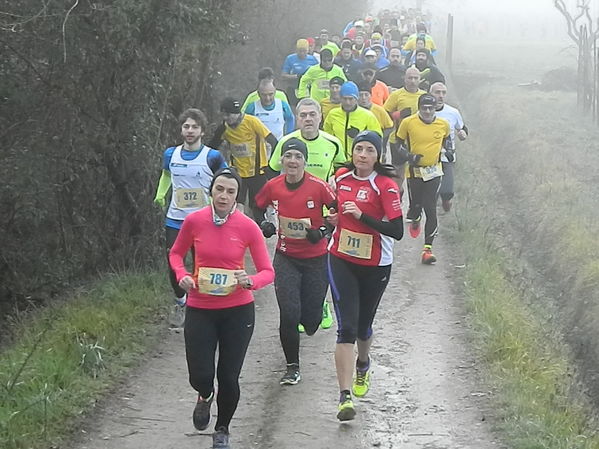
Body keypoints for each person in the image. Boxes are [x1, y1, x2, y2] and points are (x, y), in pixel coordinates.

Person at [169, 167, 274, 449]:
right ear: (211, 191)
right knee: (201, 374)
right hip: (201, 307)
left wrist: (250, 281)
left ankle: (222, 428)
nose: (224, 196)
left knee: (228, 376)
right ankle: (204, 394)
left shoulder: (248, 227)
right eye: (220, 190)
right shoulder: (194, 221)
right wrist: (182, 276)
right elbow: (176, 253)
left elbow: (267, 271)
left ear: (237, 197)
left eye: (230, 192)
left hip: (237, 310)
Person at [327, 131, 404, 421]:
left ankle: (363, 361)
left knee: (363, 327)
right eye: (358, 148)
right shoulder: (341, 178)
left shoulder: (385, 186)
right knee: (345, 328)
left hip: (376, 264)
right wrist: (332, 218)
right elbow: (334, 210)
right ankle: (344, 397)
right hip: (341, 258)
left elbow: (396, 231)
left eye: (369, 150)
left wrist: (363, 217)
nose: (362, 154)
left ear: (377, 156)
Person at [256, 139, 336, 385]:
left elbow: (337, 212)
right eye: (288, 155)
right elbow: (257, 206)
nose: (292, 161)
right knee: (289, 314)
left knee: (310, 323)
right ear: (281, 159)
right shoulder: (273, 186)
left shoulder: (318, 186)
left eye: (297, 157)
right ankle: (292, 366)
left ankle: (318, 307)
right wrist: (265, 224)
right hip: (286, 257)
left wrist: (322, 231)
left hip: (316, 258)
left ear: (304, 161)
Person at [154, 108, 227, 325]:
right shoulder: (170, 154)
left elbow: (225, 181)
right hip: (176, 219)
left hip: (204, 221)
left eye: (195, 127)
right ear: (181, 129)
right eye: (186, 126)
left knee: (201, 265)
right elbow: (166, 176)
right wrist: (160, 195)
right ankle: (181, 301)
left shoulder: (212, 157)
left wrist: (224, 206)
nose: (190, 131)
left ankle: (202, 308)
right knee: (173, 262)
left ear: (202, 131)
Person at [396, 94, 451, 264]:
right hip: (415, 173)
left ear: (435, 109)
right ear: (419, 108)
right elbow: (396, 144)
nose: (427, 111)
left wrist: (448, 152)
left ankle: (428, 249)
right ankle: (415, 216)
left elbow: (447, 142)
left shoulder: (443, 124)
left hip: (434, 172)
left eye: (431, 108)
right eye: (424, 108)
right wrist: (409, 156)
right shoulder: (408, 123)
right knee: (416, 206)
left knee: (430, 208)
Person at [209, 98, 278, 222]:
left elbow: (273, 141)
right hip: (238, 173)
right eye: (224, 115)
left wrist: (271, 166)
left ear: (237, 113)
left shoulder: (252, 122)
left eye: (229, 115)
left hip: (257, 172)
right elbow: (211, 148)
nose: (226, 118)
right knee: (236, 207)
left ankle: (258, 235)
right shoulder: (224, 128)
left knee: (256, 208)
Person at [270, 98, 346, 181]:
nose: (308, 119)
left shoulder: (333, 143)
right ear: (297, 118)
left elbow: (342, 170)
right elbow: (273, 171)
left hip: (322, 193)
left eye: (312, 114)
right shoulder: (285, 142)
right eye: (303, 115)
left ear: (320, 117)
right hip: (294, 193)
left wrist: (334, 177)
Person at [383, 67, 426, 193]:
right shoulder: (397, 95)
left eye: (415, 78)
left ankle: (416, 198)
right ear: (405, 79)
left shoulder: (424, 96)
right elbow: (385, 113)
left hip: (418, 139)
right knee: (398, 171)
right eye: (410, 78)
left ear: (420, 80)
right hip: (398, 139)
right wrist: (398, 115)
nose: (412, 81)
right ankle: (396, 195)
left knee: (417, 172)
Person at [428, 82, 468, 212]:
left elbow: (462, 128)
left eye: (443, 93)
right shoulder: (423, 112)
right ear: (430, 93)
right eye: (437, 92)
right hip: (428, 158)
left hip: (447, 157)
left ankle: (446, 208)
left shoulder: (453, 112)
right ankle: (430, 217)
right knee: (430, 194)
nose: (440, 96)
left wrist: (463, 134)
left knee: (447, 192)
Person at [323, 81, 382, 157]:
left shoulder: (367, 115)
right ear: (340, 98)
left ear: (356, 99)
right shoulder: (332, 114)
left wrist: (361, 135)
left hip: (359, 159)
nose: (348, 102)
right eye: (345, 99)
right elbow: (327, 136)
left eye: (351, 99)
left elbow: (377, 138)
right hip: (337, 159)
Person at [357, 82, 394, 158]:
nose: (363, 98)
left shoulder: (379, 110)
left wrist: (380, 138)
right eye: (361, 95)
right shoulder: (355, 111)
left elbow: (390, 127)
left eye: (366, 95)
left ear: (371, 96)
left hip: (376, 147)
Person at [281, 39, 319, 105]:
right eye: (300, 51)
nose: (302, 53)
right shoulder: (290, 59)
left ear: (308, 50)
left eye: (304, 51)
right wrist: (296, 76)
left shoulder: (313, 60)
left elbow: (318, 75)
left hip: (308, 89)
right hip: (293, 88)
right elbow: (283, 75)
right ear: (296, 50)